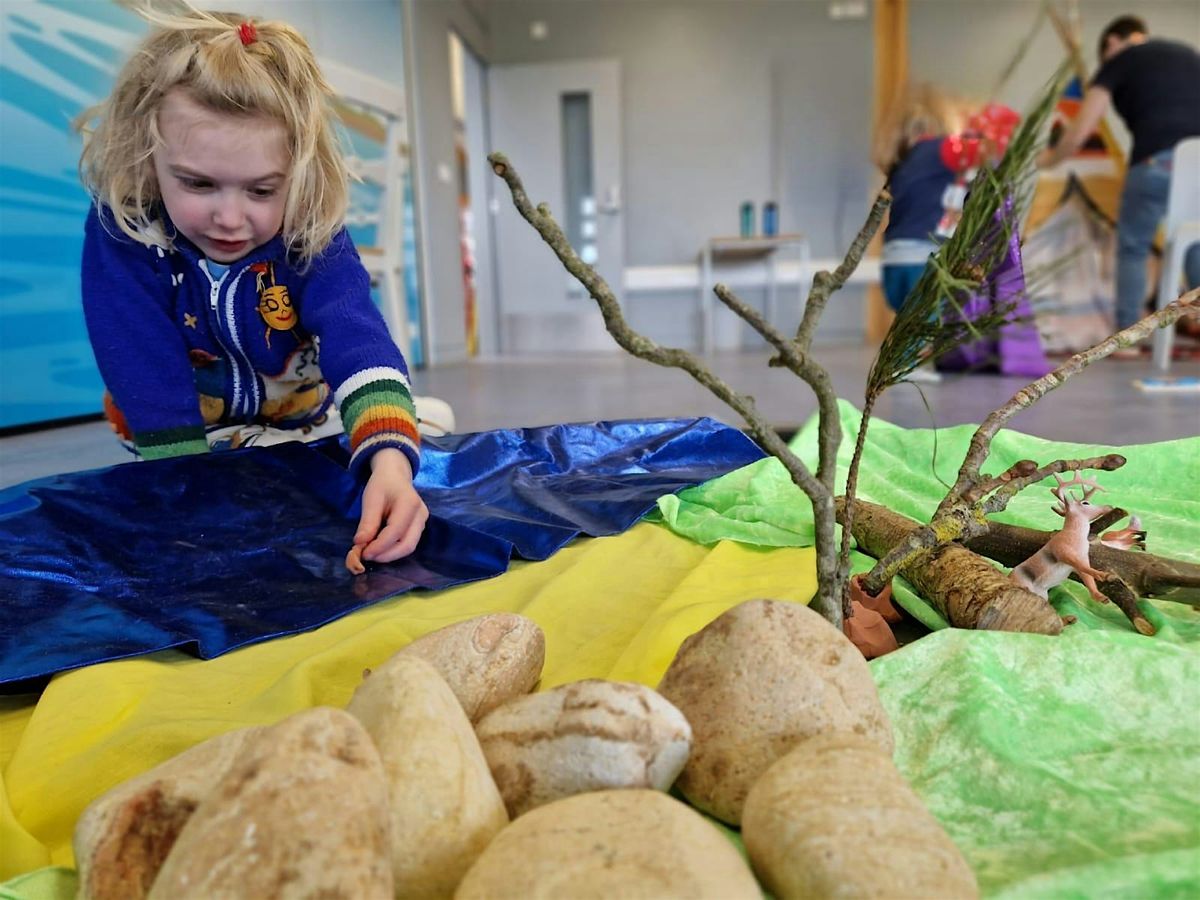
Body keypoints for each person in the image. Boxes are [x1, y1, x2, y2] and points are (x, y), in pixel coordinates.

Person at [76, 5, 427, 564]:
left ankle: (387, 425)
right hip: (181, 433)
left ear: (299, 174)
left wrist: (389, 461)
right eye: (198, 183)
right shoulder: (125, 228)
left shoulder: (311, 229)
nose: (231, 219)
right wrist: (185, 477)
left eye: (262, 191)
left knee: (380, 445)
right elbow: (139, 362)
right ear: (148, 158)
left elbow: (355, 333)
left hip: (297, 419)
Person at [1037, 15, 1200, 342]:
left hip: (1157, 161)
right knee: (1195, 241)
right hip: (1197, 162)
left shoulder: (1120, 59)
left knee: (1133, 247)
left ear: (1112, 42)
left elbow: (1082, 128)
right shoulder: (1187, 54)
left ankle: (1127, 338)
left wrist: (1050, 159)